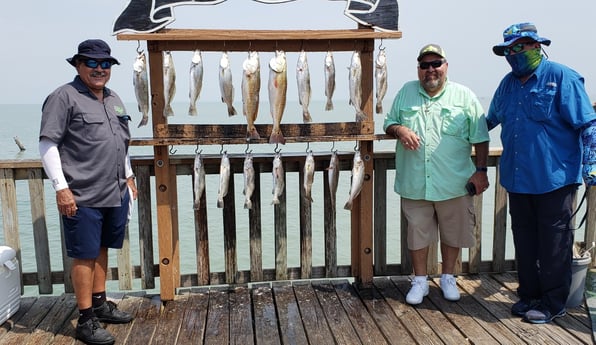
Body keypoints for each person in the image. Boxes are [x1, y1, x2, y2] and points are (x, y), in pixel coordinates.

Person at [488, 22, 596, 324]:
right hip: (517, 179)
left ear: (537, 46)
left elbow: (588, 123)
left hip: (554, 180)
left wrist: (592, 163)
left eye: (520, 47)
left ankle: (553, 303)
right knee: (524, 241)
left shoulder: (562, 77)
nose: (514, 54)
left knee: (554, 244)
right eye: (508, 50)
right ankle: (529, 295)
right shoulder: (507, 84)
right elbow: (489, 121)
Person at [39, 39, 136, 345]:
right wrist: (61, 188)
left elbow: (120, 140)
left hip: (114, 189)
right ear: (78, 65)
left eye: (105, 64)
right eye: (91, 63)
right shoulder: (63, 97)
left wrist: (130, 175)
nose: (99, 69)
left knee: (103, 247)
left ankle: (99, 303)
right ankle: (85, 320)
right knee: (83, 255)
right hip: (82, 192)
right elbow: (47, 144)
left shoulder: (113, 98)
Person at [383, 44, 490, 305]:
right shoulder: (406, 92)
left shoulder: (464, 96)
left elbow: (481, 137)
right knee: (417, 233)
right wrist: (400, 131)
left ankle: (448, 277)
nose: (430, 69)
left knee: (453, 233)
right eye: (424, 65)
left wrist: (481, 171)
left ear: (446, 66)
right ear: (418, 69)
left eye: (436, 64)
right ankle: (420, 281)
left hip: (455, 182)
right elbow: (388, 123)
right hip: (415, 181)